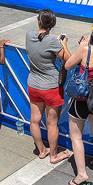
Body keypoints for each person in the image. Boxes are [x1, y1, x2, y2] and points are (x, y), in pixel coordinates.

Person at [63, 19, 93, 185]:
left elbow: (68, 65)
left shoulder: (85, 50)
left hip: (81, 98)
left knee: (76, 136)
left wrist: (81, 46)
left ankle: (81, 174)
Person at [26, 9, 72, 163]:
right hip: (51, 87)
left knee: (34, 120)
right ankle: (53, 155)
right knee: (52, 124)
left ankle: (41, 150)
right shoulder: (52, 41)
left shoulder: (29, 35)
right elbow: (70, 60)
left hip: (33, 84)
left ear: (39, 21)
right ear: (52, 24)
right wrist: (63, 44)